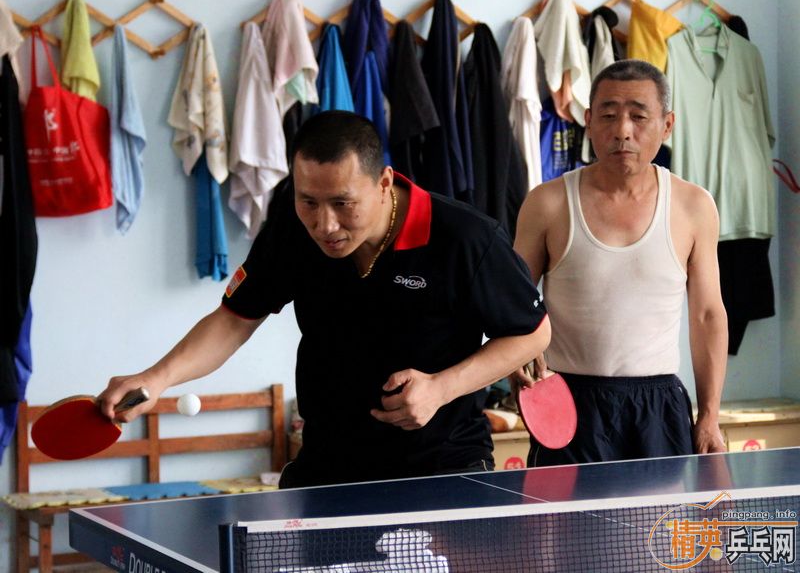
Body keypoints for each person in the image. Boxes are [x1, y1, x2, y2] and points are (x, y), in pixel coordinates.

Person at [99, 111, 551, 488]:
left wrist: (441, 388)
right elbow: (234, 319)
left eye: (342, 203)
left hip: (441, 468)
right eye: (309, 202)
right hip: (328, 467)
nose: (325, 225)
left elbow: (532, 333)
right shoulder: (292, 231)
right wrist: (156, 378)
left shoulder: (463, 237)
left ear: (383, 183)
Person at [512, 60, 727, 468]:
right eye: (608, 116)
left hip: (658, 407)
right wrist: (516, 365)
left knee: (661, 513)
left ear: (667, 125)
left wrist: (710, 415)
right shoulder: (548, 202)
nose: (623, 131)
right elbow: (513, 303)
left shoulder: (693, 206)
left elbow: (707, 316)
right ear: (589, 122)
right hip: (569, 400)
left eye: (638, 117)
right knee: (563, 512)